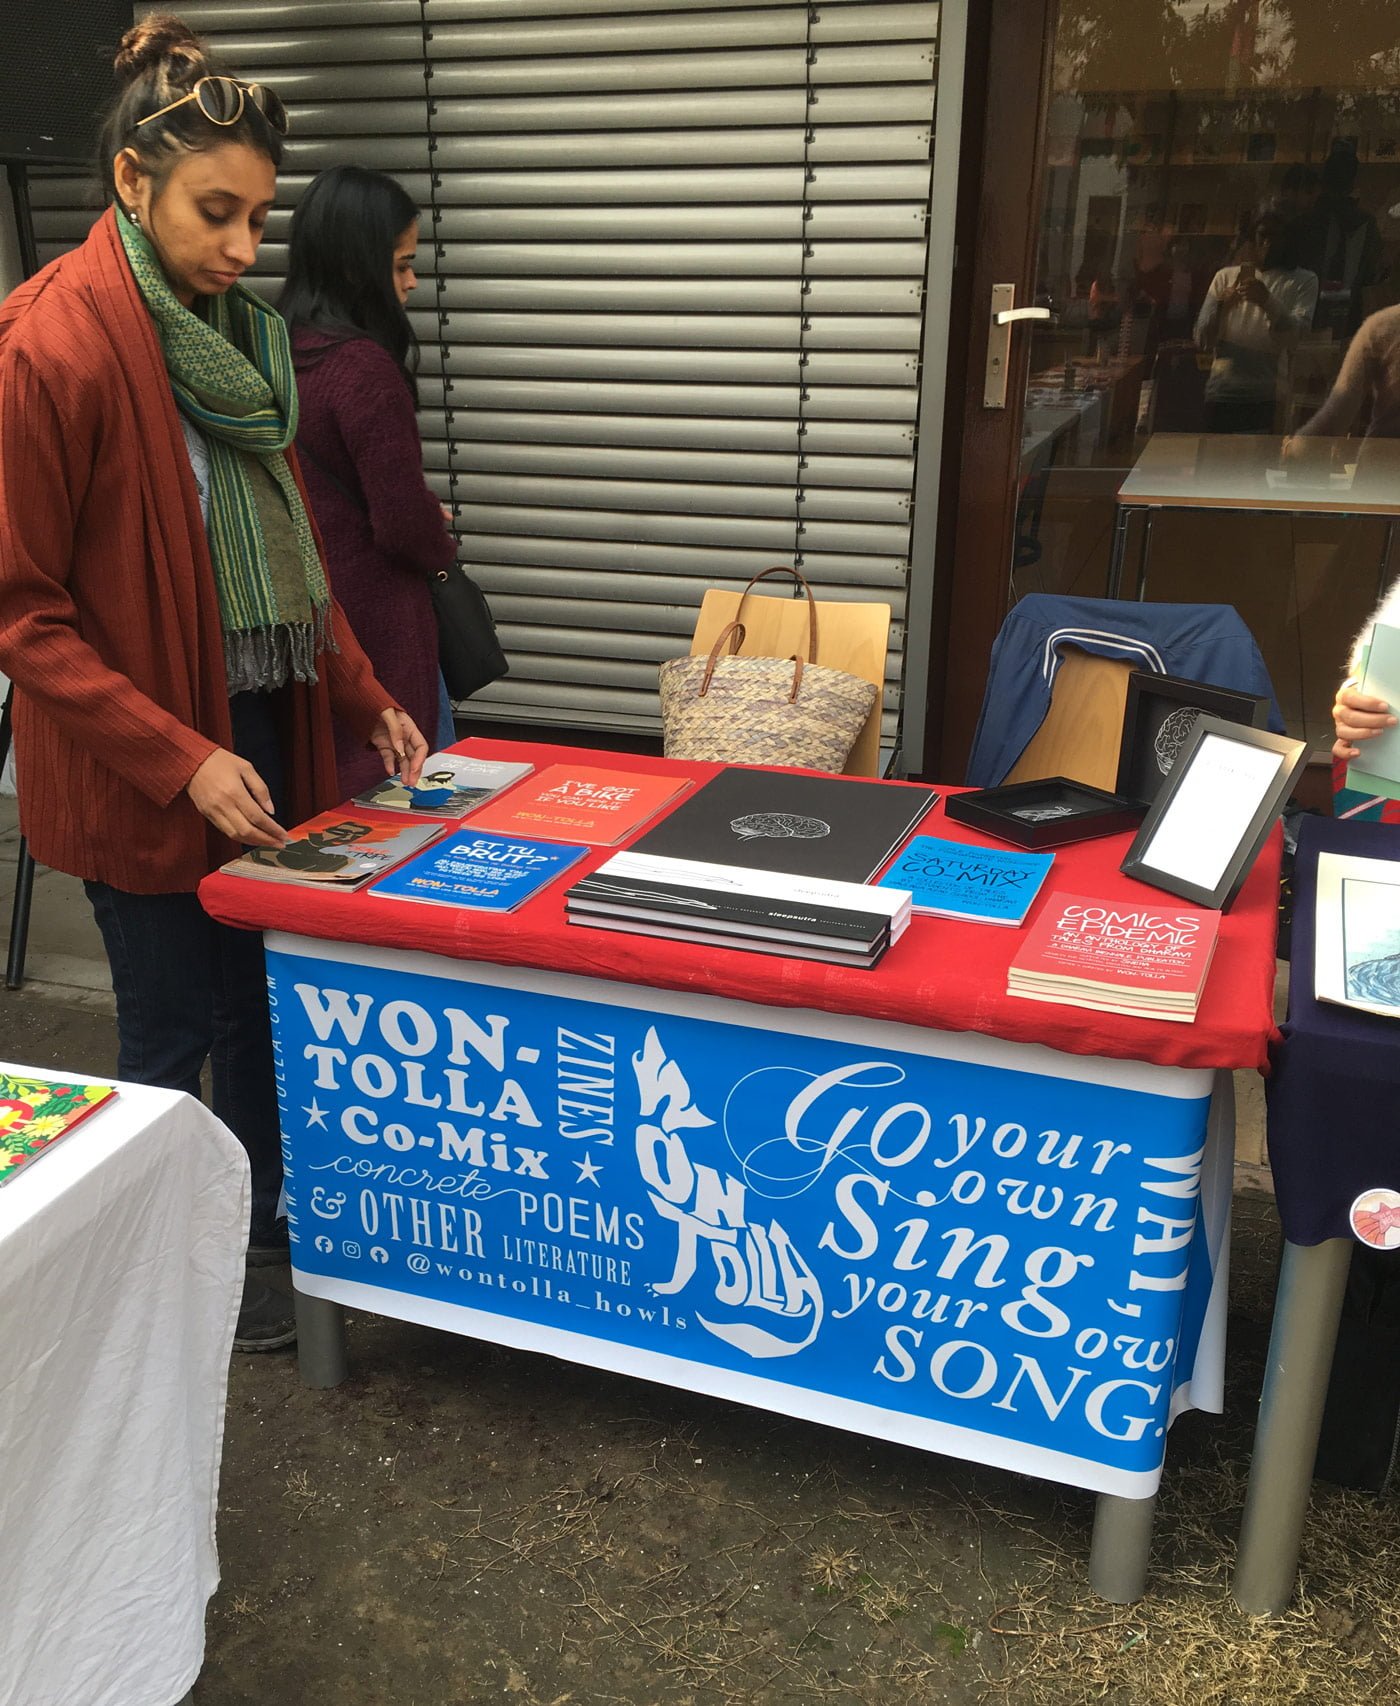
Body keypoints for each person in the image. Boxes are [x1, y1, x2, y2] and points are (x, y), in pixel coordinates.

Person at [0, 15, 428, 1349]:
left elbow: (294, 564)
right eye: (216, 211)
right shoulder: (45, 346)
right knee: (175, 1019)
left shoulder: (238, 338)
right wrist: (175, 753)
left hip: (268, 727)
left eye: (260, 215)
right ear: (132, 181)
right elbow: (23, 612)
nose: (249, 247)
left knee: (260, 1008)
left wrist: (358, 690)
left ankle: (253, 1234)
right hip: (144, 757)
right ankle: (141, 1260)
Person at [278, 165, 460, 799]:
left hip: (304, 624)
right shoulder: (362, 367)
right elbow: (401, 524)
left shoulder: (275, 349)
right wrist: (437, 537)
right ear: (358, 265)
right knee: (417, 790)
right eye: (402, 263)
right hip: (380, 625)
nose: (411, 282)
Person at [1194, 207, 1319, 433]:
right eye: (1263, 236)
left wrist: (1267, 302)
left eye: (1276, 236)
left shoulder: (1303, 281)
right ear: (1253, 239)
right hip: (1221, 392)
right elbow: (1202, 338)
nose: (1268, 243)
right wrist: (1221, 306)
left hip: (1267, 397)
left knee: (1256, 465)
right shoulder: (1225, 277)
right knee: (1213, 465)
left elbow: (1295, 338)